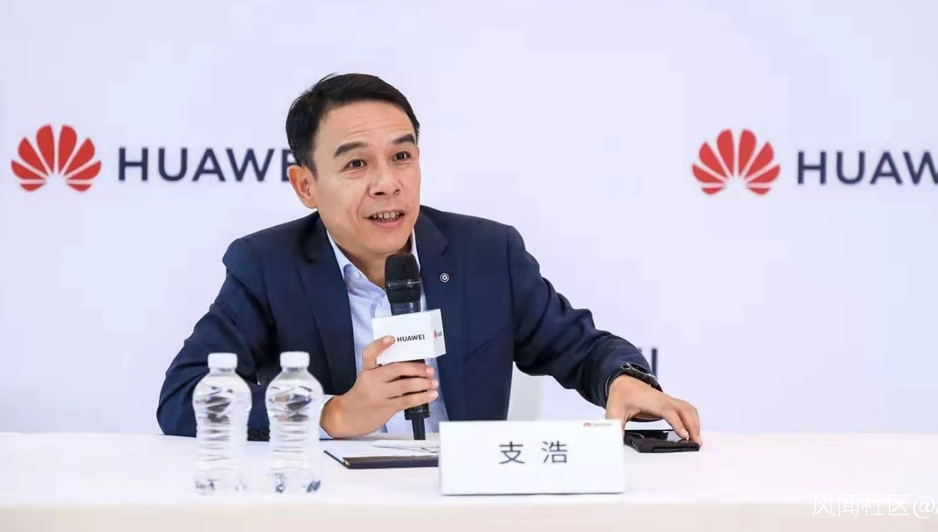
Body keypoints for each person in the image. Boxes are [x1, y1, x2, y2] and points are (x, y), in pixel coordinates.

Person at [157, 73, 701, 443]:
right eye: (356, 165)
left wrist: (623, 380)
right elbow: (185, 397)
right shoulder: (267, 265)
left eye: (402, 156)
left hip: (462, 506)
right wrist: (332, 413)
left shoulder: (487, 254)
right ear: (306, 185)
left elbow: (583, 348)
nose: (387, 183)